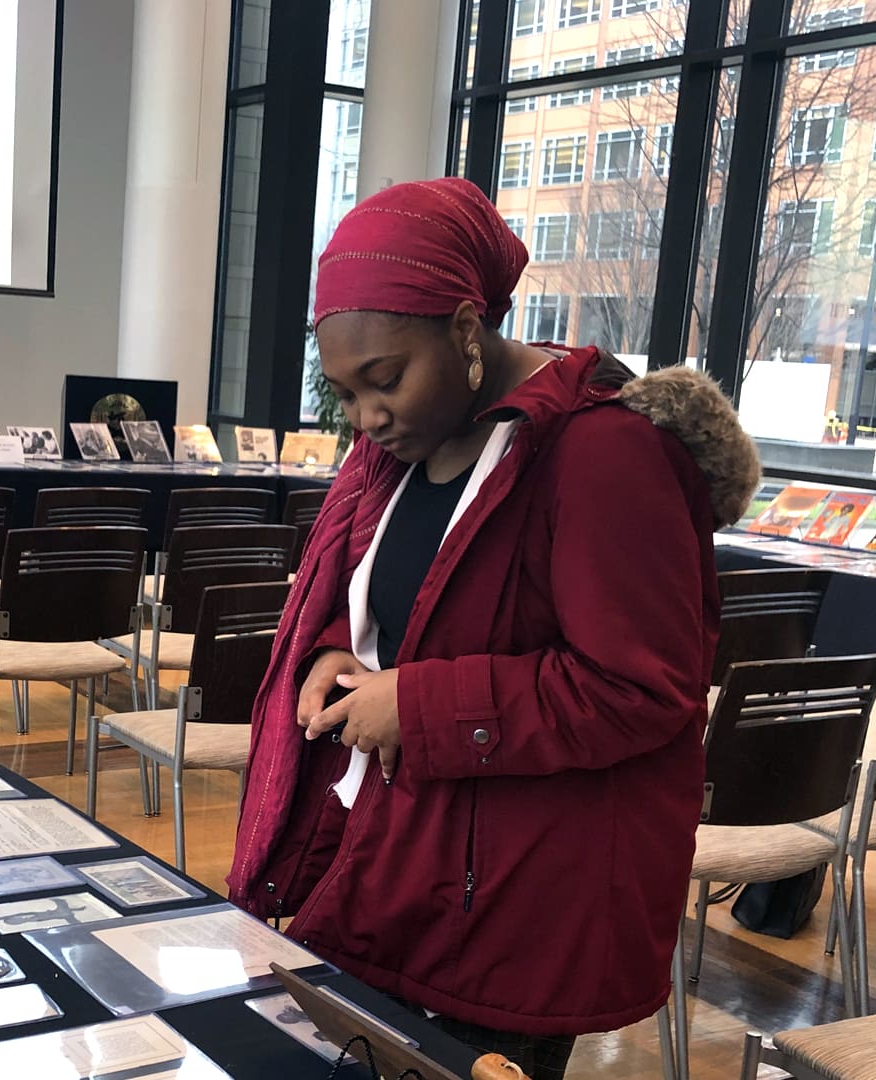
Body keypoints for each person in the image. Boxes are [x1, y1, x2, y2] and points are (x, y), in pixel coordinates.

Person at [226, 178, 760, 1080]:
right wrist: (335, 655)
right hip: (404, 865)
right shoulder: (405, 455)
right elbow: (391, 612)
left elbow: (641, 690)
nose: (364, 418)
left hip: (514, 903)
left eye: (384, 380)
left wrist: (420, 705)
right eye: (344, 392)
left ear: (467, 330)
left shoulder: (605, 453)